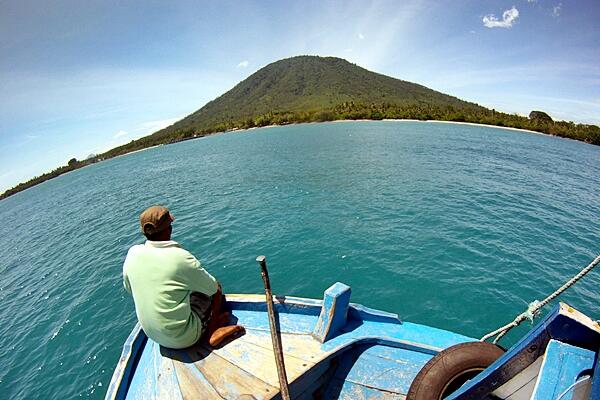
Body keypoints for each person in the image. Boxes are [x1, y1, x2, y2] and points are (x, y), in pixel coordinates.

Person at [122, 205, 244, 349]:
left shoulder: (133, 253)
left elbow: (129, 288)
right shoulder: (180, 258)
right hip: (185, 338)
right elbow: (211, 288)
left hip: (154, 336)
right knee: (215, 287)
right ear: (169, 228)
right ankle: (212, 332)